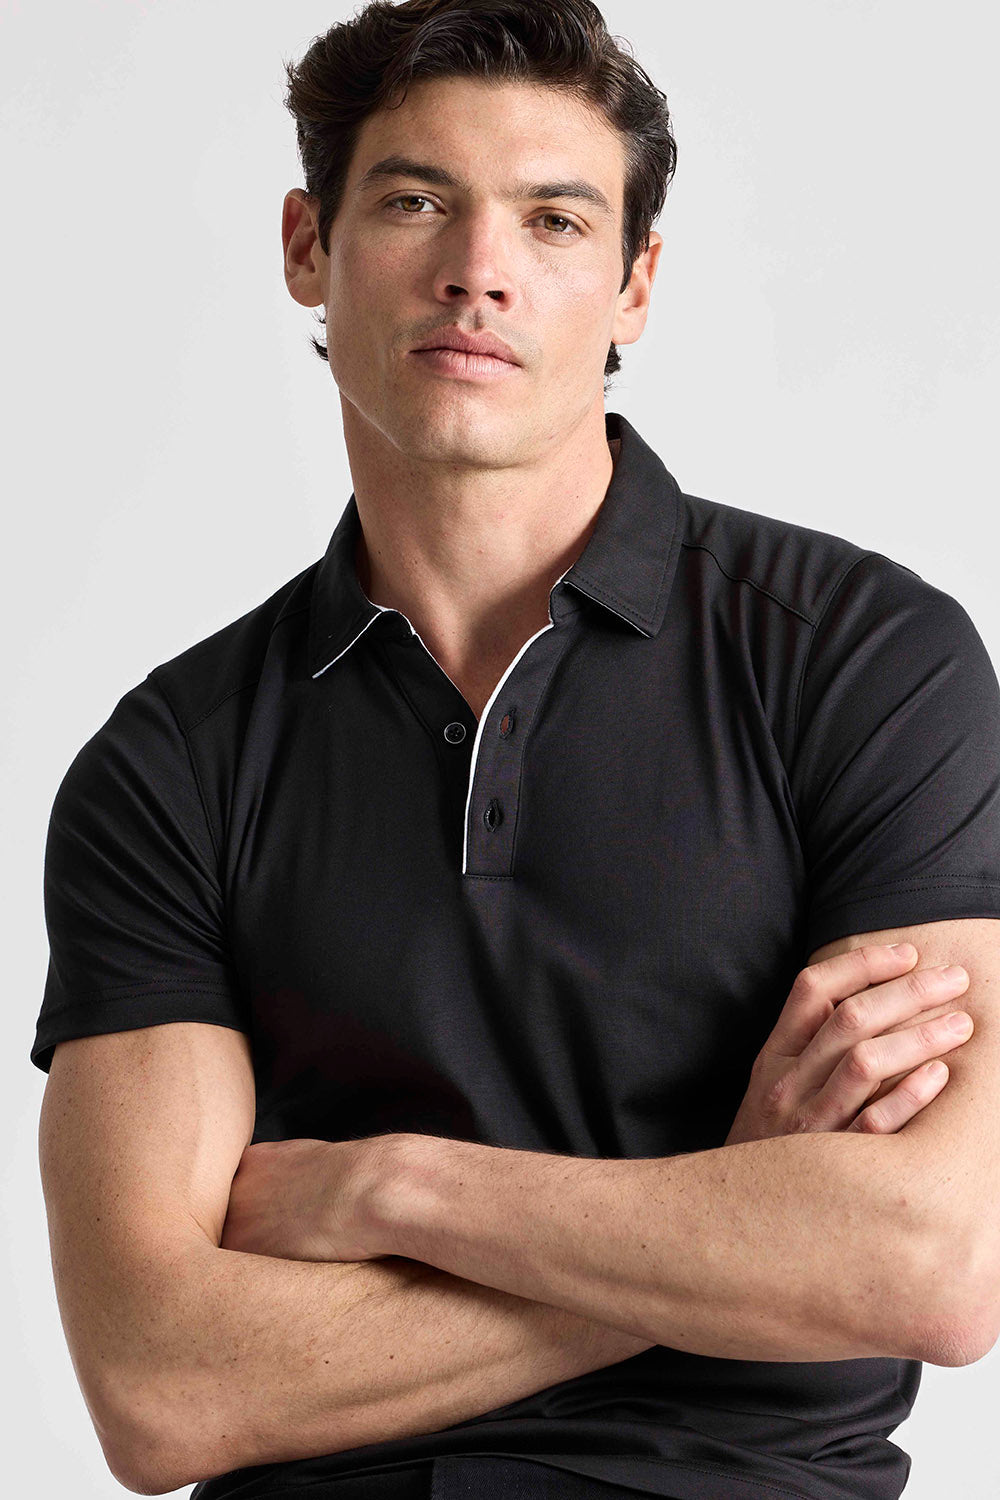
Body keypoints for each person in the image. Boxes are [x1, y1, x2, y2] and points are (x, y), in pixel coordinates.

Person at [32, 3, 1000, 1498]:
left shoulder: (860, 659)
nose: (478, 269)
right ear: (308, 245)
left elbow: (931, 1260)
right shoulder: (168, 766)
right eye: (416, 201)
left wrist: (395, 1187)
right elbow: (163, 1391)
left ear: (634, 284)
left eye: (554, 220)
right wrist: (727, 1212)